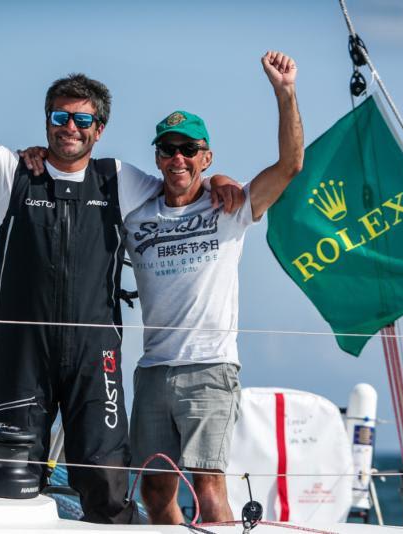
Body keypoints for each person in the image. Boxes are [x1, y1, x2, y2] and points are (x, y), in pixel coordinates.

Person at [0, 5, 243, 524]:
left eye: (82, 119)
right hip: (23, 353)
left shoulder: (120, 180)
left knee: (108, 490)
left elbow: (181, 183)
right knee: (13, 483)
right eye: (60, 117)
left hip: (97, 359)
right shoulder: (11, 174)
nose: (70, 126)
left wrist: (220, 177)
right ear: (46, 121)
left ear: (100, 128)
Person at [124, 51, 304, 524]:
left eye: (189, 148)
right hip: (152, 369)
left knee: (208, 484)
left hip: (210, 367)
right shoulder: (135, 212)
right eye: (168, 149)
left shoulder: (232, 205)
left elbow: (289, 166)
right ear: (158, 157)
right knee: (156, 488)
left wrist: (285, 93)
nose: (178, 158)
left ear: (207, 156)